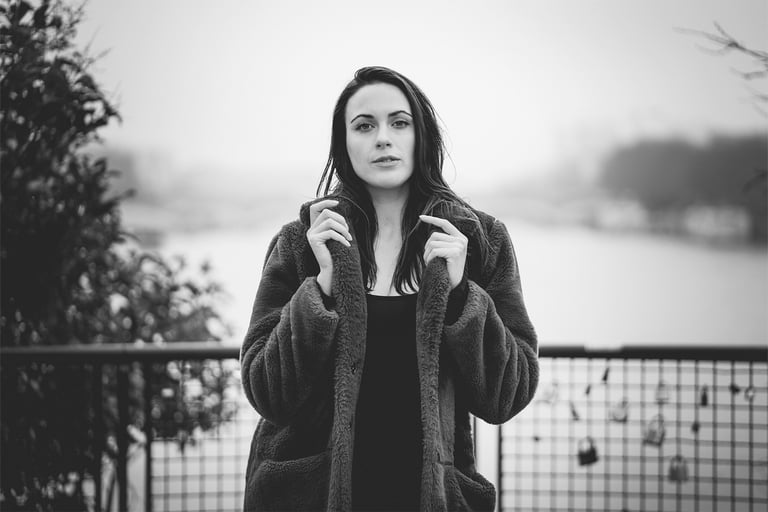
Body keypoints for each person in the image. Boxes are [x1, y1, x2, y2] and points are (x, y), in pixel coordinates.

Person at [240, 66, 538, 511]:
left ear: (422, 135)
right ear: (344, 143)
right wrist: (318, 290)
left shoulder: (478, 242)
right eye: (364, 125)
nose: (383, 138)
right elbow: (267, 391)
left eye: (400, 122)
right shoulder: (303, 242)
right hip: (311, 498)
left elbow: (507, 394)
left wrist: (461, 296)